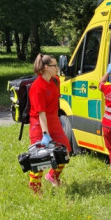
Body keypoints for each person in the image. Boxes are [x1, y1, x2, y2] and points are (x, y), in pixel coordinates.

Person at [27, 54, 72, 194]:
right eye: (54, 66)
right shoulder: (37, 87)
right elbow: (41, 114)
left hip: (53, 120)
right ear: (46, 67)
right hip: (39, 124)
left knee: (65, 152)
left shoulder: (55, 81)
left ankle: (52, 176)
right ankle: (35, 189)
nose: (57, 68)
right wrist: (45, 135)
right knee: (40, 159)